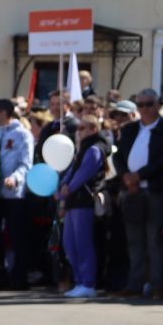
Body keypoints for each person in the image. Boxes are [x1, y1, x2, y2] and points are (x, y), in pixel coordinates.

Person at [114, 87, 163, 300]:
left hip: (155, 191)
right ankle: (135, 283)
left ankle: (158, 285)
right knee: (134, 240)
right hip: (132, 192)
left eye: (149, 104)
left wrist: (140, 175)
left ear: (157, 105)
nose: (145, 109)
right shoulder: (130, 129)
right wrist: (126, 176)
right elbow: (118, 156)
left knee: (155, 240)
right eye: (140, 105)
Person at [56, 112, 107, 298]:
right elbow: (72, 171)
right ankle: (79, 281)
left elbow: (84, 173)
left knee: (83, 243)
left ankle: (88, 282)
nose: (78, 132)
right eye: (78, 128)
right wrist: (62, 187)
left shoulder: (95, 148)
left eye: (82, 128)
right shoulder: (82, 149)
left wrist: (68, 188)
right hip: (73, 202)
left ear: (93, 129)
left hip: (84, 201)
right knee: (69, 244)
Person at [0, 99, 34, 290]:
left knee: (17, 237)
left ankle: (19, 278)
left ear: (4, 113)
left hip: (14, 194)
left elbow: (26, 163)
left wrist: (15, 178)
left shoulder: (22, 134)